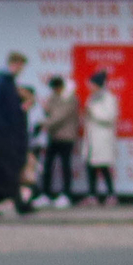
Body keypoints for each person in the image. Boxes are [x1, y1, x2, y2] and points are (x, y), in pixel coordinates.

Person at [0, 52, 34, 219]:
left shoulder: (5, 81)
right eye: (20, 66)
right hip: (3, 135)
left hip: (4, 133)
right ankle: (17, 203)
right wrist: (4, 128)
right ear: (14, 63)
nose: (21, 70)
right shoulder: (2, 81)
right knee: (5, 169)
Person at [38, 74, 82, 205]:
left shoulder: (71, 99)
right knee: (47, 166)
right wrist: (45, 108)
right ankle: (45, 194)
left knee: (65, 166)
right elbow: (50, 113)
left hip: (66, 137)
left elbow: (59, 117)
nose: (55, 91)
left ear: (61, 86)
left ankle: (66, 195)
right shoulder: (53, 97)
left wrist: (43, 124)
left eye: (56, 88)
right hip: (54, 136)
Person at [83, 69, 119, 204]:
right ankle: (92, 194)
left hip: (102, 138)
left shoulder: (109, 98)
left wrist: (93, 112)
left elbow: (110, 117)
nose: (90, 87)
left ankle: (111, 194)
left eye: (91, 84)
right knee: (90, 167)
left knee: (104, 167)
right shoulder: (91, 98)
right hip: (92, 138)